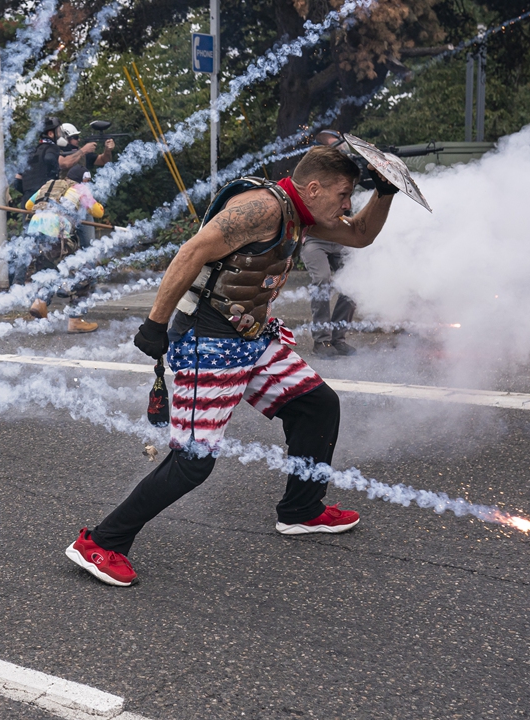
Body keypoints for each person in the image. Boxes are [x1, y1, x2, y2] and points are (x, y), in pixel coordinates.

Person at [64, 145, 399, 587]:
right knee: (193, 460)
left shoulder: (303, 214)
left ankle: (302, 510)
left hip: (250, 336)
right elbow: (191, 252)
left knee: (317, 405)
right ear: (314, 187)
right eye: (343, 194)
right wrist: (155, 324)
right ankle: (102, 543)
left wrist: (386, 191)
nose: (346, 204)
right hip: (210, 340)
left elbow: (359, 235)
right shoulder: (261, 208)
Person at [24, 165, 106, 334]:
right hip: (56, 234)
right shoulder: (80, 189)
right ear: (84, 179)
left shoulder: (49, 185)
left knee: (48, 271)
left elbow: (28, 205)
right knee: (86, 270)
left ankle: (40, 302)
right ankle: (76, 319)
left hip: (34, 235)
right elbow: (98, 212)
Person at [304, 130, 361, 356]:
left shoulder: (346, 174)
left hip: (339, 236)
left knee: (355, 283)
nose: (342, 151)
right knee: (322, 280)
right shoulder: (312, 174)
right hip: (315, 238)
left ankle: (338, 339)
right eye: (336, 148)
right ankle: (321, 341)